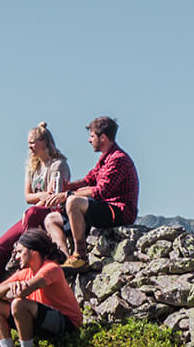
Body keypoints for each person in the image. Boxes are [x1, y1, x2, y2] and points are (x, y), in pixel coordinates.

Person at [47, 116, 137, 270]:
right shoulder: (106, 158)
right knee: (51, 219)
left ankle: (80, 256)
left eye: (92, 136)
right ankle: (65, 258)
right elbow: (89, 179)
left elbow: (101, 191)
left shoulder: (118, 159)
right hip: (104, 208)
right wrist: (67, 186)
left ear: (103, 138)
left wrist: (68, 195)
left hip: (119, 211)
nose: (89, 140)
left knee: (73, 202)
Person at [0, 122, 73, 283]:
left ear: (44, 142)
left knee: (31, 213)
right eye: (28, 143)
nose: (30, 147)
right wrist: (41, 195)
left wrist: (36, 203)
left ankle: (27, 255)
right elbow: (28, 197)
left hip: (51, 212)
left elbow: (52, 198)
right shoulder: (33, 167)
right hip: (34, 212)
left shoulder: (58, 165)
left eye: (33, 143)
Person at [0, 229, 81, 347]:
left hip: (67, 325)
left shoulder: (51, 268)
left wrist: (6, 293)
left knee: (19, 304)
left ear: (33, 251)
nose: (16, 257)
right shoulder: (24, 273)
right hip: (43, 321)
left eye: (20, 252)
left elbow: (22, 292)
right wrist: (8, 287)